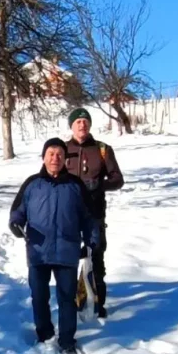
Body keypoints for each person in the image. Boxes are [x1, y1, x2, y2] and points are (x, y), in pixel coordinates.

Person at [9, 138, 99, 354]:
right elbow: (17, 212)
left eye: (59, 154)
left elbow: (89, 218)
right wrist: (16, 225)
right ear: (43, 157)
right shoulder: (31, 184)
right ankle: (45, 333)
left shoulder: (76, 186)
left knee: (67, 298)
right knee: (39, 296)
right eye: (51, 154)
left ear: (65, 159)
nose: (55, 159)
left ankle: (67, 341)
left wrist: (91, 241)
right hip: (38, 252)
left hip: (67, 252)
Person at [63, 107, 125, 317]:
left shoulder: (102, 150)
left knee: (96, 259)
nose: (82, 124)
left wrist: (99, 185)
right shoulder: (62, 149)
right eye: (78, 122)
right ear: (71, 126)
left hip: (95, 216)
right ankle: (70, 303)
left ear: (90, 125)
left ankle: (98, 304)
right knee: (68, 260)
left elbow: (118, 180)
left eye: (85, 121)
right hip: (68, 216)